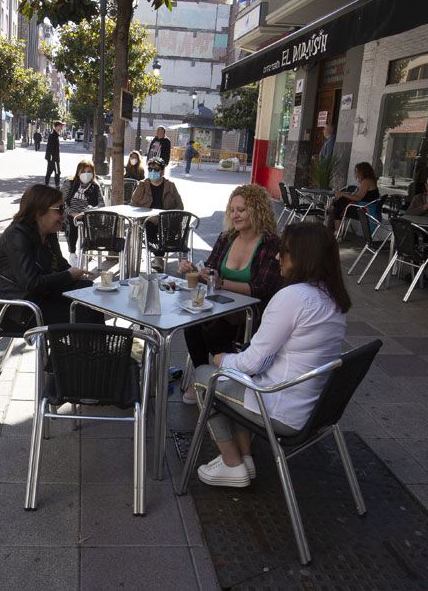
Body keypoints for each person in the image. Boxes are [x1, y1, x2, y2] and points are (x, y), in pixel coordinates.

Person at [192, 222, 350, 487]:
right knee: (235, 376)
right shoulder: (333, 297)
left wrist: (220, 359)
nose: (278, 256)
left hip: (281, 409)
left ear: (303, 257)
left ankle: (232, 464)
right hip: (314, 406)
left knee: (204, 377)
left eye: (284, 251)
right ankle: (246, 458)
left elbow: (252, 363)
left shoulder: (292, 297)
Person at [177, 184, 283, 403]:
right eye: (232, 209)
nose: (235, 215)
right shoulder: (227, 238)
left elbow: (261, 288)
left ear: (257, 210)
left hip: (253, 312)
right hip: (220, 303)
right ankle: (203, 379)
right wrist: (195, 271)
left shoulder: (271, 244)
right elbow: (210, 269)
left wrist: (222, 282)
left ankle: (219, 381)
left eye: (242, 210)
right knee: (192, 322)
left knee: (213, 328)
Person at [0, 184, 103, 326]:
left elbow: (60, 265)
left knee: (91, 292)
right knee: (85, 312)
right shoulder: (17, 236)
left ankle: (90, 346)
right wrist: (69, 275)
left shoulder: (48, 232)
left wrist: (75, 274)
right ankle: (79, 347)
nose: (64, 214)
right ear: (39, 213)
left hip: (42, 296)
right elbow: (31, 284)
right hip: (20, 308)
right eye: (60, 209)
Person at [131, 158, 184, 271]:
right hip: (147, 220)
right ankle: (158, 257)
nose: (153, 172)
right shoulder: (143, 185)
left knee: (166, 228)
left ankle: (158, 258)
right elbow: (133, 205)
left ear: (162, 171)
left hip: (166, 221)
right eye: (150, 169)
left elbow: (180, 207)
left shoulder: (170, 186)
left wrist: (165, 217)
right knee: (148, 227)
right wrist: (147, 216)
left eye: (156, 169)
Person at [63, 160, 102, 255]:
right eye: (83, 172)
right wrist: (73, 213)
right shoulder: (69, 183)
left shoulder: (95, 186)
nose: (86, 174)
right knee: (72, 225)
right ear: (78, 172)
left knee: (92, 226)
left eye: (89, 172)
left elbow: (101, 205)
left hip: (88, 215)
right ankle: (72, 253)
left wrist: (91, 210)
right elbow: (62, 202)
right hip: (71, 213)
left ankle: (86, 251)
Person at [328, 161, 381, 233]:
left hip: (365, 210)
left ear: (362, 172)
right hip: (365, 207)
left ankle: (336, 231)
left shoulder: (366, 182)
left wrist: (343, 194)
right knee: (340, 203)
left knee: (338, 208)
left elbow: (358, 197)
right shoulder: (369, 181)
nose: (356, 174)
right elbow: (357, 195)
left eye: (357, 171)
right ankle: (335, 230)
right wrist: (344, 194)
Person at [45, 121, 63, 188]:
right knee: (57, 172)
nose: (61, 127)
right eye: (60, 126)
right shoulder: (53, 136)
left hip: (53, 158)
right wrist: (51, 158)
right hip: (54, 159)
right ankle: (57, 186)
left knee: (50, 171)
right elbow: (50, 148)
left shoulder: (55, 135)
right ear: (57, 126)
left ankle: (46, 185)